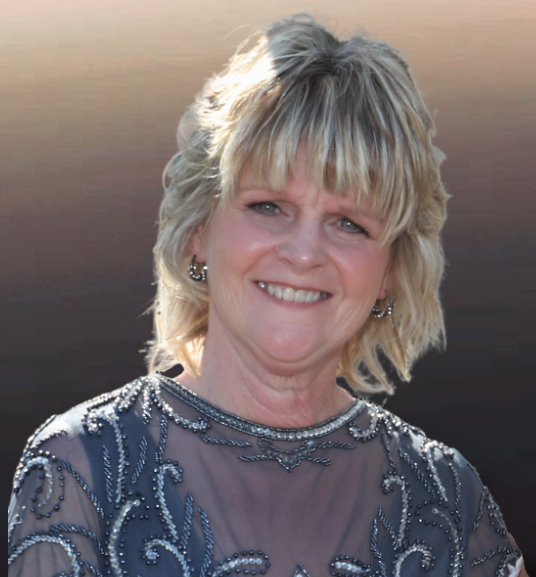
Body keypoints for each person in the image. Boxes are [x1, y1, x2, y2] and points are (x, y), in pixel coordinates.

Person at [8, 14, 527, 577]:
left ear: (390, 271)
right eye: (268, 207)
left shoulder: (449, 499)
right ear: (199, 228)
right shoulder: (81, 469)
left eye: (349, 223)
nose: (303, 253)